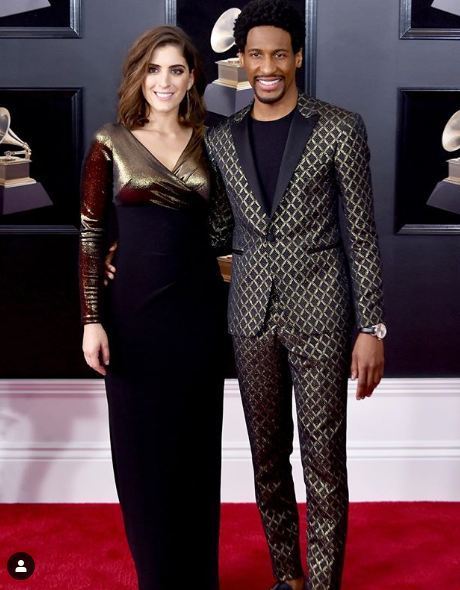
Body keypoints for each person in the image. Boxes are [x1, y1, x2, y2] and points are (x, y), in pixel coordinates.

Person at [204, 1, 386, 589]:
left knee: (324, 463)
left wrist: (372, 327)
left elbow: (361, 232)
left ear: (297, 57)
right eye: (255, 54)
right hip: (250, 317)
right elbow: (211, 233)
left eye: (279, 53)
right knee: (266, 461)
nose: (267, 66)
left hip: (324, 316)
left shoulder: (338, 126)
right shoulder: (222, 138)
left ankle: (324, 584)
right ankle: (289, 577)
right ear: (242, 61)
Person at [79, 26, 226, 590]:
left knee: (194, 455)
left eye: (177, 70)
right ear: (139, 75)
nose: (164, 81)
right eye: (154, 69)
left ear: (192, 78)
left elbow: (225, 232)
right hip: (132, 319)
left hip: (197, 318)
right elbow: (92, 236)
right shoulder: (109, 141)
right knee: (141, 460)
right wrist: (93, 317)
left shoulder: (212, 141)